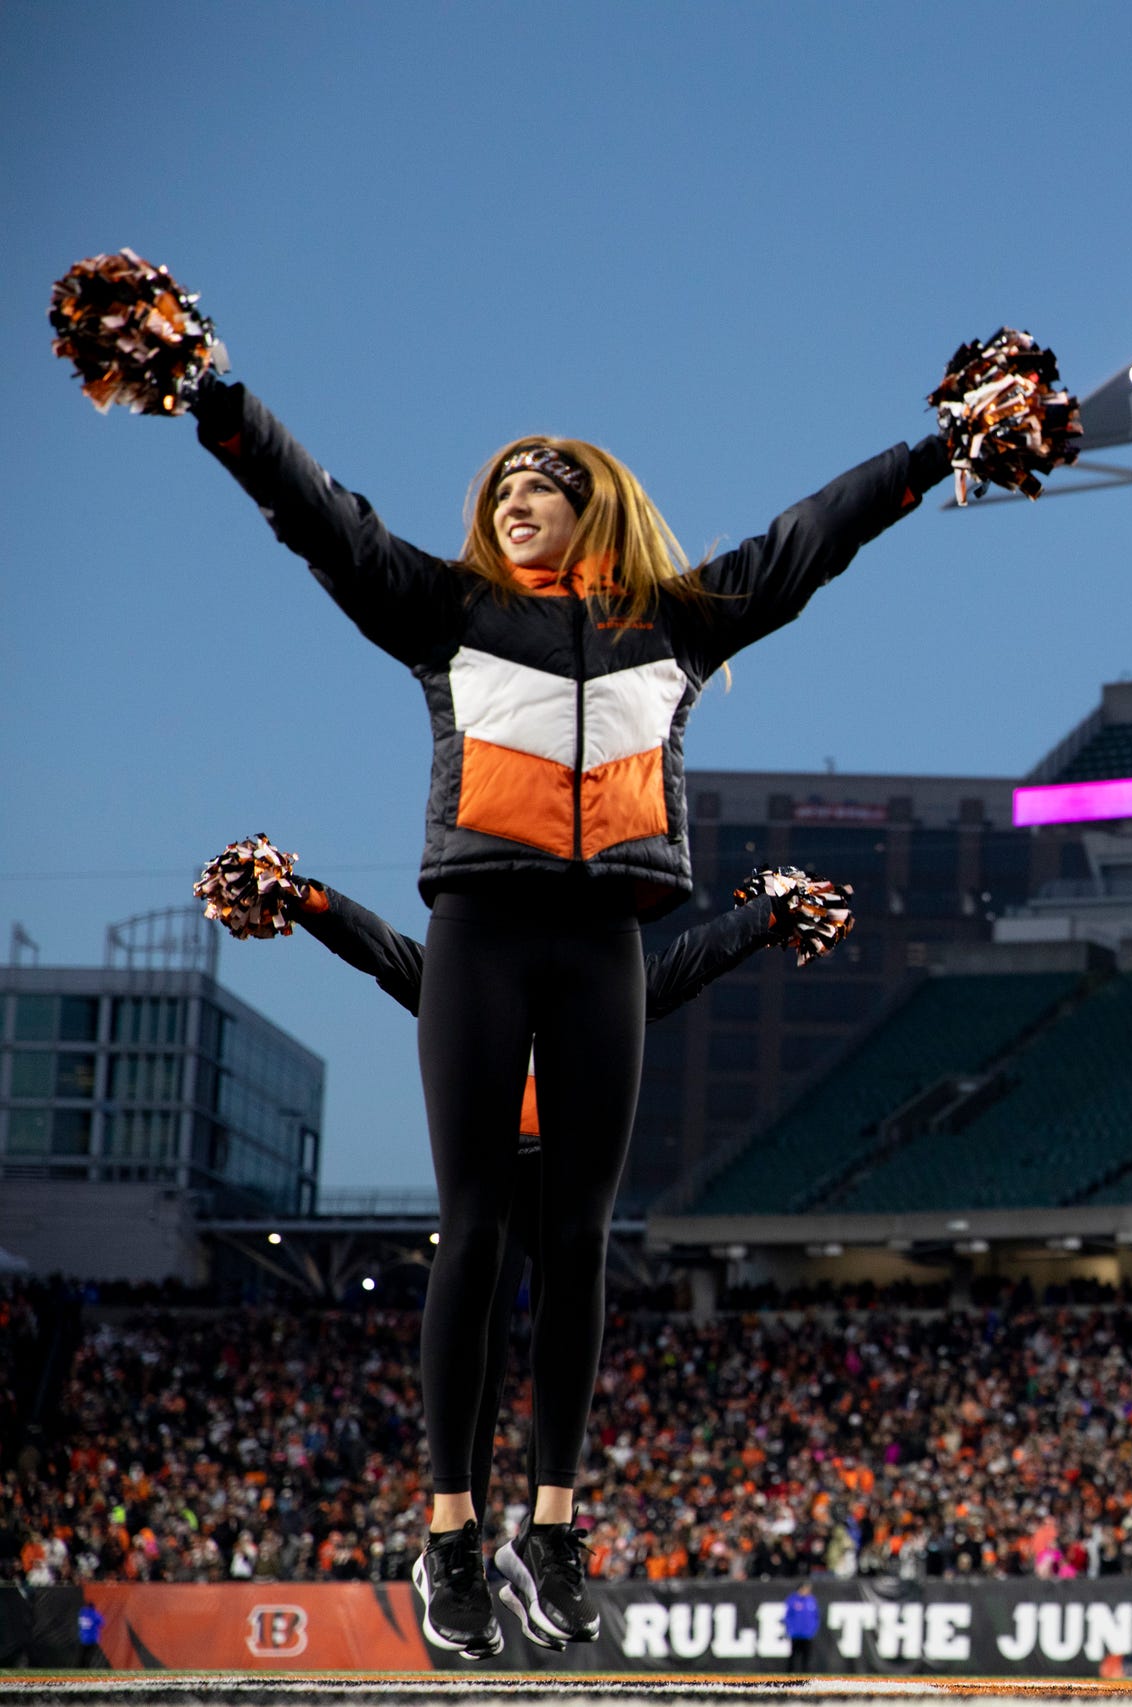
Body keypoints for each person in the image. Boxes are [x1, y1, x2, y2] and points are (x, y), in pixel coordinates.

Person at [179, 366, 950, 1659]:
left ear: (597, 509)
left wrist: (938, 450)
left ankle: (552, 1528)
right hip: (480, 931)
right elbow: (325, 518)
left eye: (542, 485)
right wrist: (218, 399)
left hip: (607, 943)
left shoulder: (681, 623)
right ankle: (449, 1535)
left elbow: (816, 535)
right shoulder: (449, 609)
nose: (515, 499)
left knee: (584, 1240)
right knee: (475, 1228)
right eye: (503, 488)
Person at [263, 863, 810, 1648]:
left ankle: (541, 1541)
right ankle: (454, 1546)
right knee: (479, 1333)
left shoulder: (595, 1007)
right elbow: (382, 949)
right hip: (498, 1180)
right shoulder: (468, 993)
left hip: (562, 1186)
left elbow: (685, 965)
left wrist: (763, 915)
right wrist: (306, 897)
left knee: (568, 1283)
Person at [785, 1582, 822, 1675]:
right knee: (793, 1655)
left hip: (807, 1633)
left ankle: (806, 1674)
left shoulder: (811, 1600)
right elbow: (788, 1616)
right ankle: (790, 1673)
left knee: (807, 1656)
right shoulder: (793, 1600)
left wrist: (812, 1629)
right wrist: (790, 1629)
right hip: (795, 1633)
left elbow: (816, 1616)